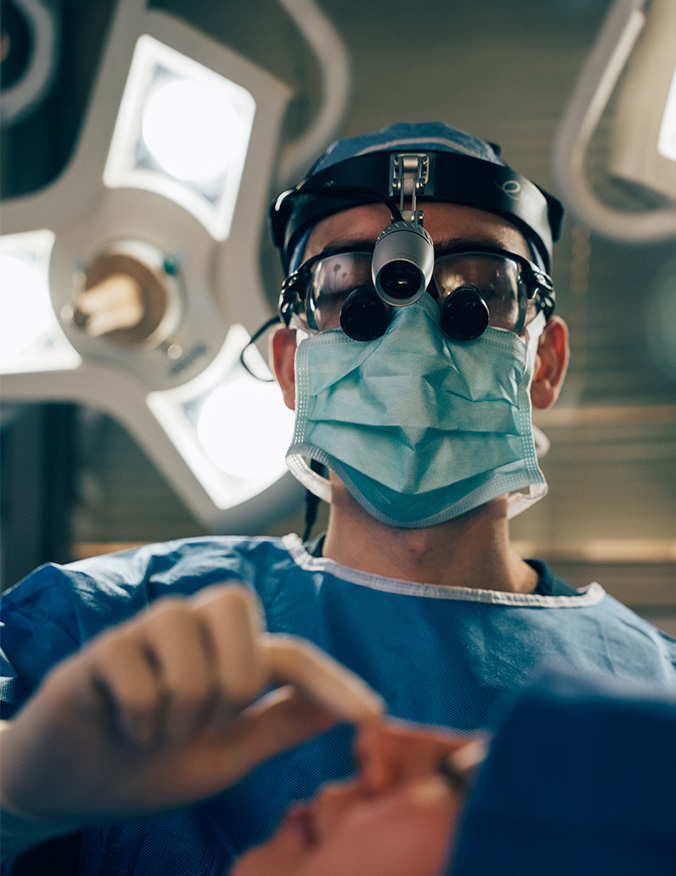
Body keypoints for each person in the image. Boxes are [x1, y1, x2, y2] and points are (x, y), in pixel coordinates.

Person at [2, 121, 676, 875]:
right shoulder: (109, 630)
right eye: (354, 294)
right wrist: (14, 797)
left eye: (477, 293)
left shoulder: (655, 703)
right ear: (291, 368)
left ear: (543, 362)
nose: (411, 347)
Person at [3, 590, 675, 876]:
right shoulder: (97, 608)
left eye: (462, 777)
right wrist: (15, 801)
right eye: (354, 307)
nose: (373, 744)